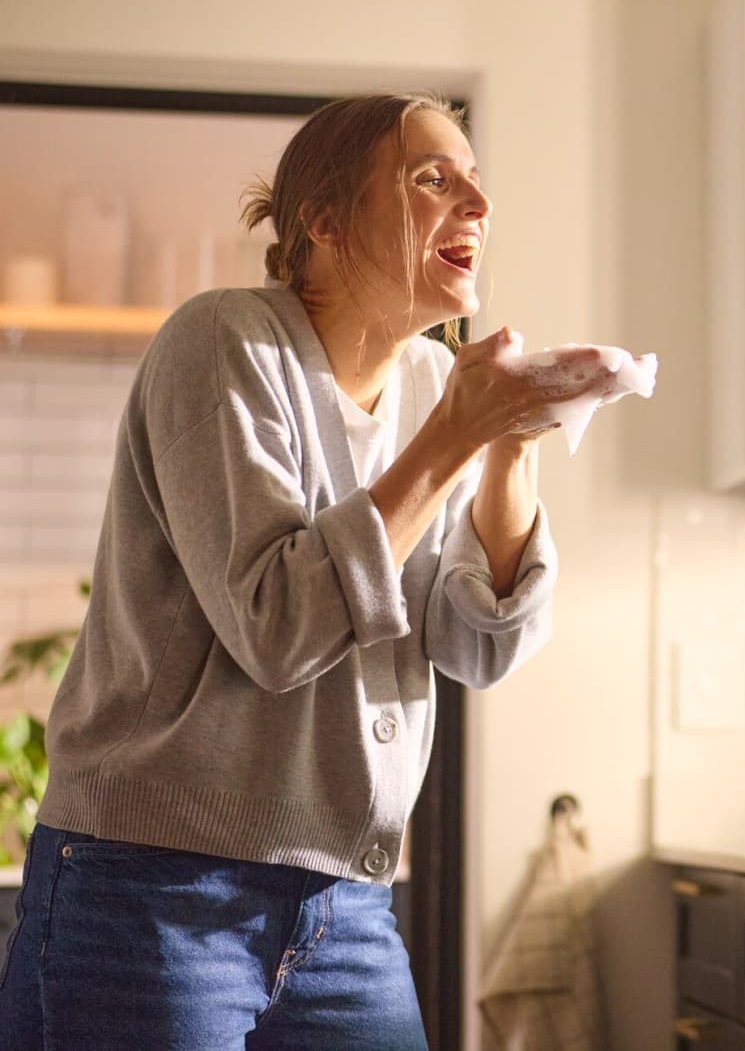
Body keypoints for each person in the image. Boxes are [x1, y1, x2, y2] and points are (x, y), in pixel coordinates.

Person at [0, 93, 615, 1049]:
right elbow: (276, 625)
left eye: (476, 182)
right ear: (324, 222)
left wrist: (510, 448)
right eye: (431, 179)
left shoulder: (427, 388)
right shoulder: (223, 344)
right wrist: (458, 432)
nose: (478, 205)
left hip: (350, 907)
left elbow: (476, 644)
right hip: (153, 892)